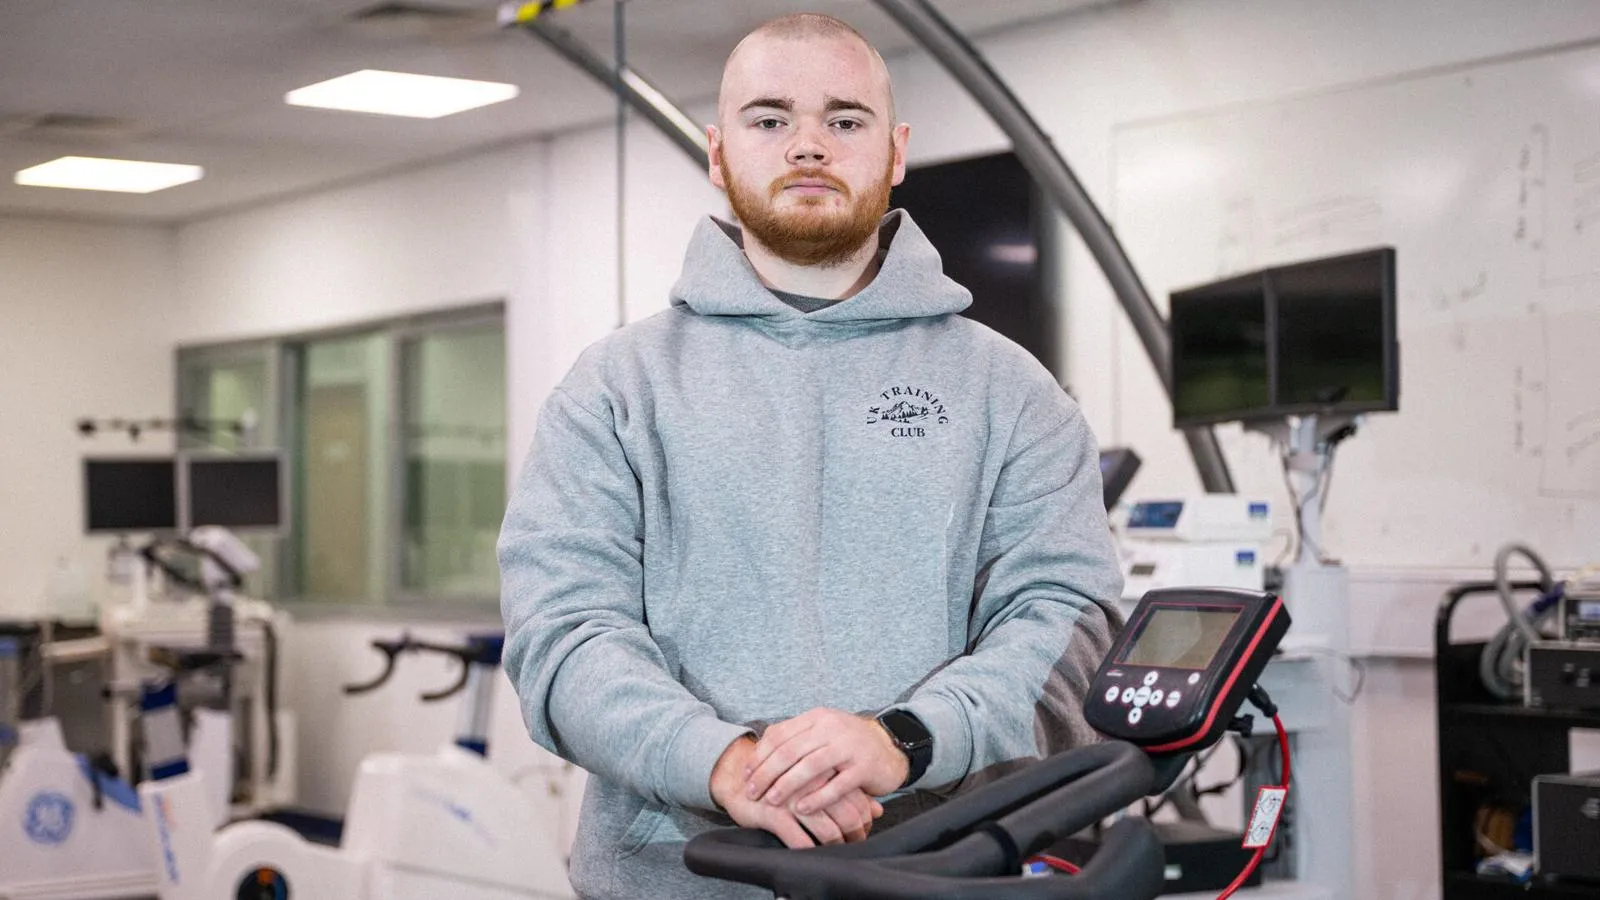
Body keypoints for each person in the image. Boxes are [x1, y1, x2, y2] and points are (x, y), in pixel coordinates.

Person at [498, 13, 1123, 899]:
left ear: (895, 149)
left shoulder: (1010, 390)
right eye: (768, 119)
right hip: (672, 879)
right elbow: (562, 633)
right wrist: (721, 763)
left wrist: (902, 741)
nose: (807, 146)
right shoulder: (614, 388)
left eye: (844, 119)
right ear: (719, 154)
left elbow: (1065, 623)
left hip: (939, 872)